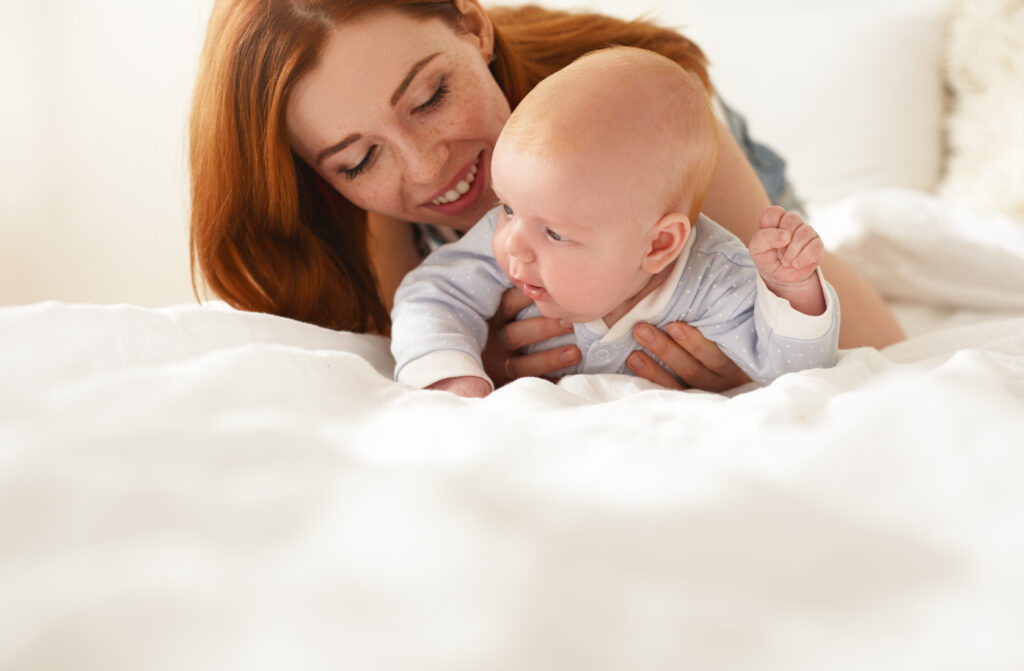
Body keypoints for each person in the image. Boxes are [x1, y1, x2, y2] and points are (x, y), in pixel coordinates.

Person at [189, 0, 902, 394]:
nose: (426, 166)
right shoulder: (372, 211)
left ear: (473, 24)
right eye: (359, 157)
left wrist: (747, 361)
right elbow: (424, 339)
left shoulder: (638, 122)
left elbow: (879, 340)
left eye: (431, 96)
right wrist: (480, 361)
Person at [390, 47, 839, 397]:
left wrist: (793, 292)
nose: (512, 245)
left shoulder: (715, 279)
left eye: (555, 233)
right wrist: (449, 370)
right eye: (506, 206)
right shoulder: (512, 231)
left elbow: (793, 371)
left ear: (659, 244)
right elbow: (431, 292)